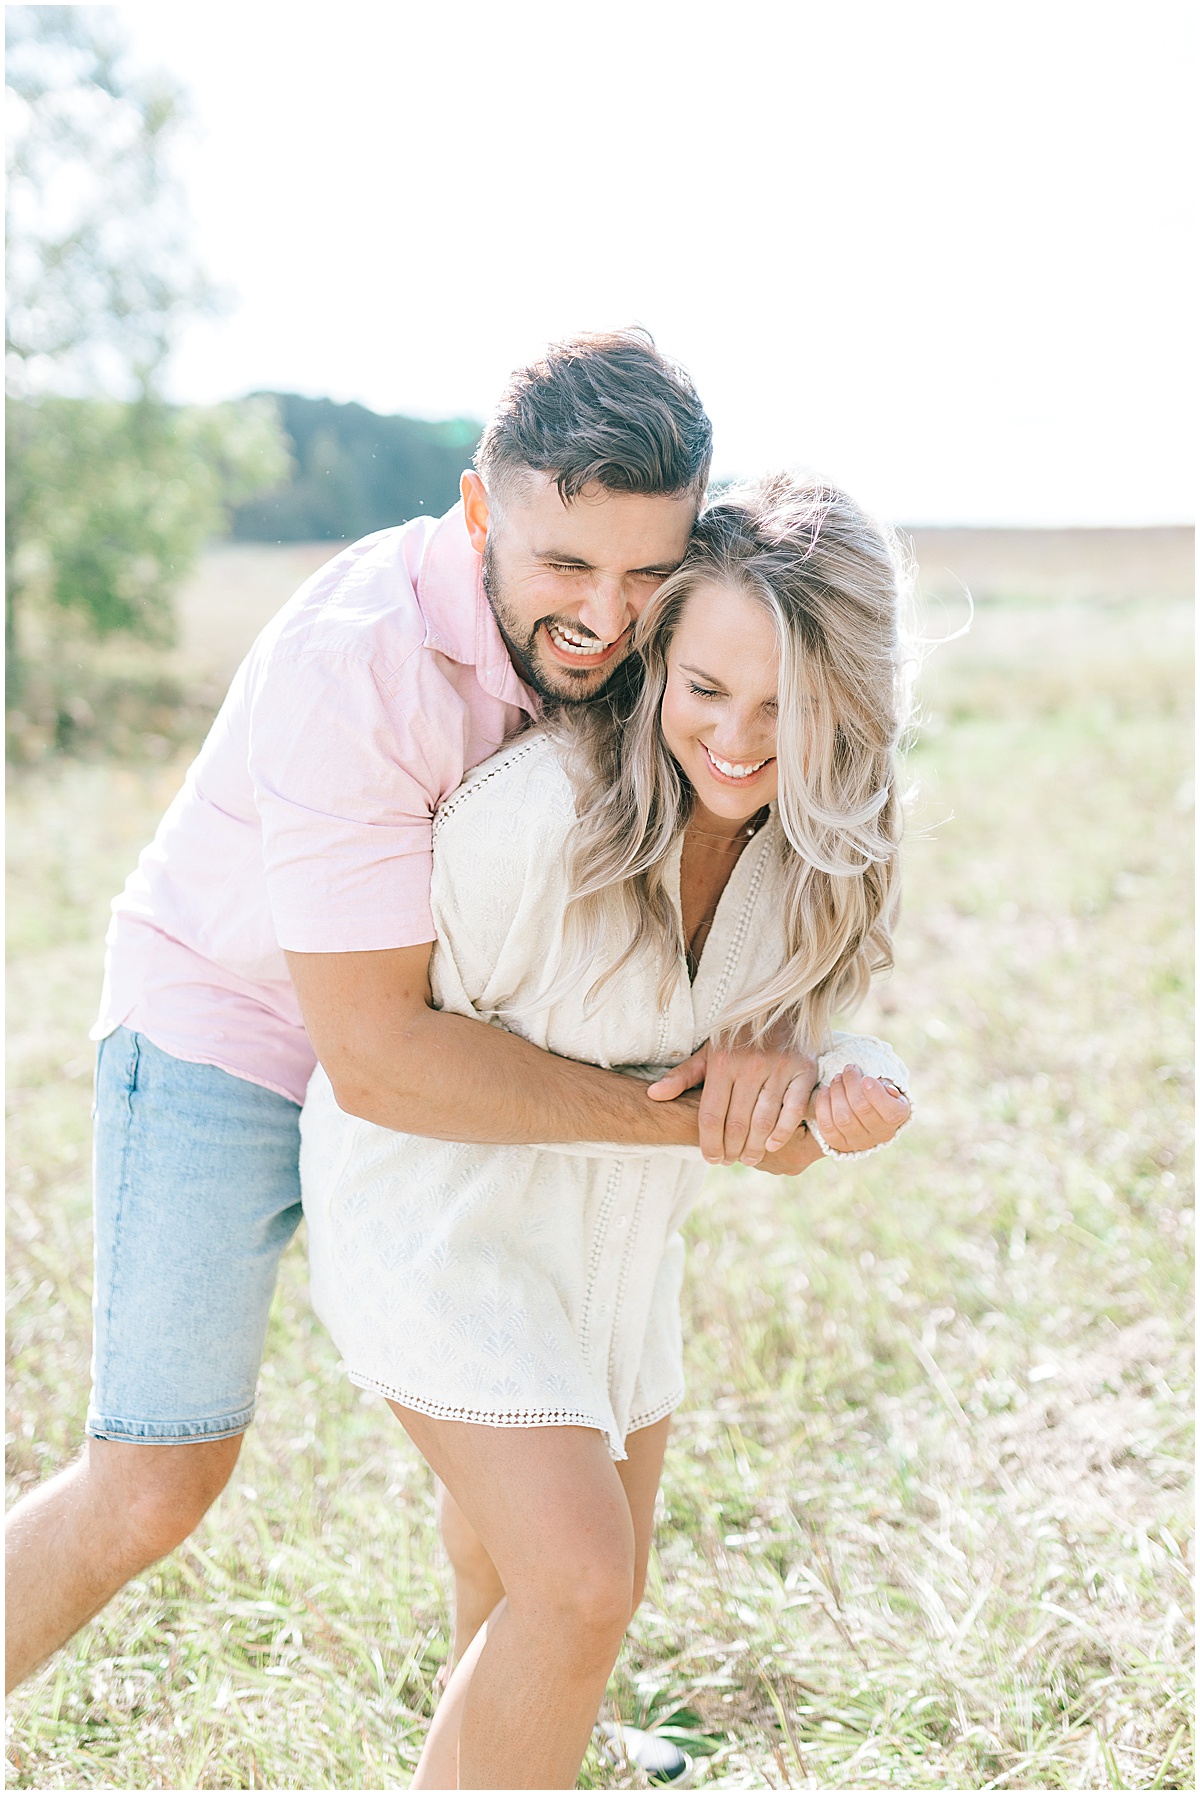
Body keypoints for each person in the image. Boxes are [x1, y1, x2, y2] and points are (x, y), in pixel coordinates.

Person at [5, 332, 824, 1694]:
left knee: (525, 1393)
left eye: (644, 572)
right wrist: (680, 1119)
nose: (609, 618)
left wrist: (780, 1029)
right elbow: (377, 1059)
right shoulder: (357, 658)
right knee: (153, 1478)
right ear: (481, 508)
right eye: (565, 565)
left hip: (469, 1025)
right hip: (236, 1030)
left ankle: (510, 1724)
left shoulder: (658, 626)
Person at [299, 472, 914, 1789]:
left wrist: (834, 1073)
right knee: (582, 1588)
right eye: (706, 690)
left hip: (617, 1265)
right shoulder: (536, 824)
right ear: (660, 660)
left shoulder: (822, 848)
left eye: (786, 708)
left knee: (520, 1588)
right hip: (440, 1229)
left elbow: (801, 1059)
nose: (740, 741)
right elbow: (397, 1063)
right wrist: (704, 1124)